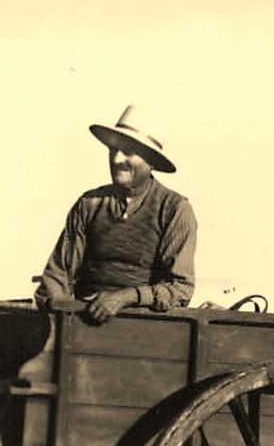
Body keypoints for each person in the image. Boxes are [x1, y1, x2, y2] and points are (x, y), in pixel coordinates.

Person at [33, 106, 197, 323]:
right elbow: (58, 274)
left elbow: (180, 288)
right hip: (83, 322)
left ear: (151, 161)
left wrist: (126, 297)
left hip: (148, 330)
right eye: (113, 149)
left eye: (128, 151)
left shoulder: (174, 209)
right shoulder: (89, 204)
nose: (117, 159)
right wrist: (62, 319)